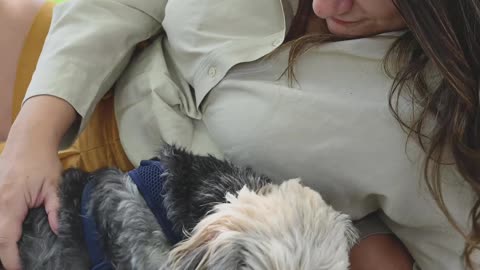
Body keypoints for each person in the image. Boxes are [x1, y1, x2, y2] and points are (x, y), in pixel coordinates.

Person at [0, 0, 478, 269]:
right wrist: (31, 134)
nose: (323, 3)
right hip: (71, 71)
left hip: (129, 230)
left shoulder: (437, 125)